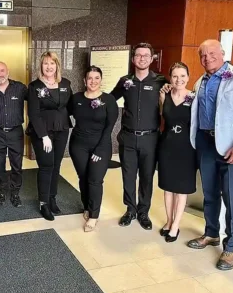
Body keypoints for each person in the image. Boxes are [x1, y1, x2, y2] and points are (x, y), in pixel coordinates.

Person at [187, 39, 233, 270]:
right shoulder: (200, 81)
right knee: (209, 193)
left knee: (232, 198)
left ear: (223, 53)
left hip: (231, 148)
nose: (207, 58)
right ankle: (211, 234)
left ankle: (232, 247)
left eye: (212, 53)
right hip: (206, 145)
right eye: (203, 55)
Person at [111, 42, 167, 230]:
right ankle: (130, 210)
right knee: (128, 175)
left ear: (152, 59)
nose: (141, 58)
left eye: (145, 55)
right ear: (133, 58)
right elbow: (110, 101)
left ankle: (143, 212)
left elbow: (175, 102)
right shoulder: (125, 81)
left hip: (150, 138)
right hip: (127, 137)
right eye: (138, 55)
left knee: (146, 177)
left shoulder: (161, 81)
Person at [69, 66, 118, 232]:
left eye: (97, 78)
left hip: (101, 146)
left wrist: (99, 150)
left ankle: (94, 215)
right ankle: (87, 206)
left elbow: (109, 127)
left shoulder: (109, 100)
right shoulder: (76, 98)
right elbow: (64, 114)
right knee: (83, 178)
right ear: (84, 80)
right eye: (90, 78)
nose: (93, 81)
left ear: (101, 80)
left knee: (95, 180)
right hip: (78, 145)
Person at [27, 51, 72, 221]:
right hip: (42, 132)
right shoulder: (35, 86)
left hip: (62, 129)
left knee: (56, 164)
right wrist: (43, 135)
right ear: (41, 66)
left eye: (52, 63)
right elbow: (34, 113)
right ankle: (43, 203)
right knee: (46, 165)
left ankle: (52, 197)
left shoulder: (65, 84)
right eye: (45, 63)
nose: (49, 67)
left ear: (57, 66)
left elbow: (71, 105)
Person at [157, 62, 197, 242]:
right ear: (170, 78)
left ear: (188, 77)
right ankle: (169, 220)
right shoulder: (164, 95)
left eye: (182, 76)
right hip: (167, 145)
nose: (178, 79)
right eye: (175, 76)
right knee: (167, 187)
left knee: (181, 189)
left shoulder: (193, 98)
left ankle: (175, 225)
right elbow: (161, 117)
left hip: (186, 148)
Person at [0, 61, 27, 208]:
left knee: (17, 165)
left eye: (2, 71)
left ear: (8, 72)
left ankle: (15, 193)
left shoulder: (20, 88)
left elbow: (36, 102)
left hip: (16, 132)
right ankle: (2, 192)